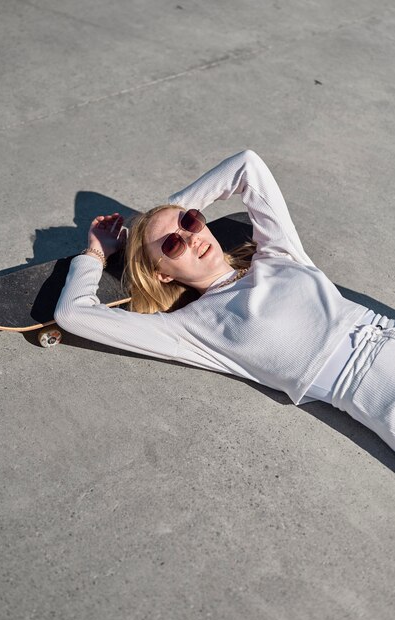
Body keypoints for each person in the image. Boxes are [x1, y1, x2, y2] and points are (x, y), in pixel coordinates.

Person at [54, 149, 395, 452]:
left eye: (190, 221)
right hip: (375, 393)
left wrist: (174, 208)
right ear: (163, 274)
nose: (191, 236)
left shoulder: (279, 254)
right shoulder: (191, 328)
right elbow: (73, 313)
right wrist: (95, 255)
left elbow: (248, 165)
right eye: (172, 244)